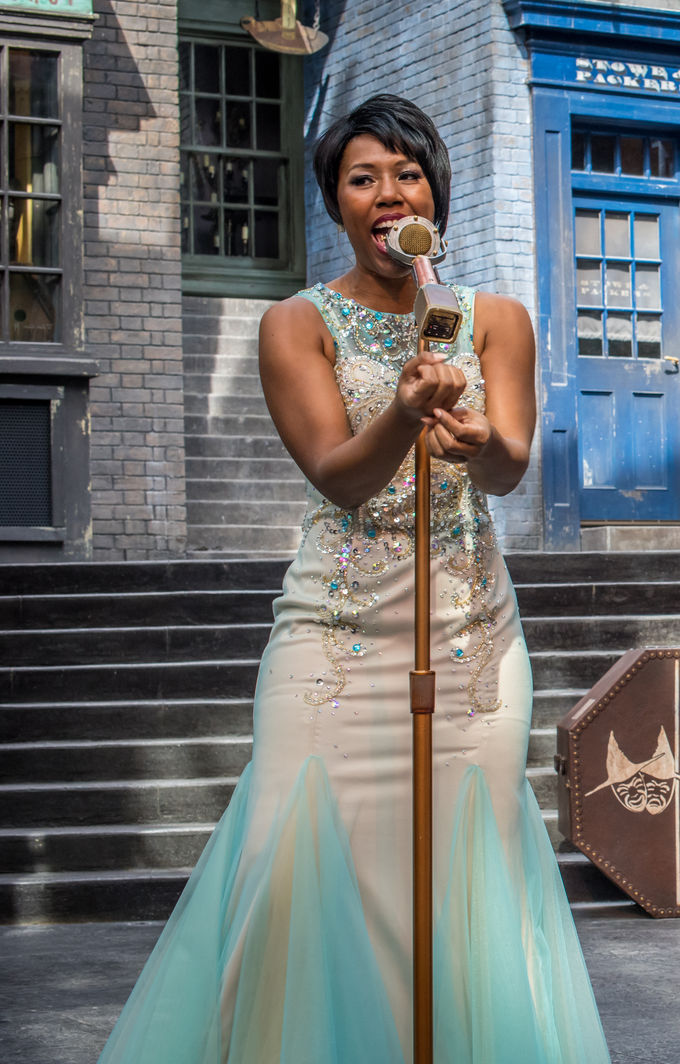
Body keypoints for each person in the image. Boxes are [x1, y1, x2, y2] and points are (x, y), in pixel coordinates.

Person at [96, 95, 609, 1062]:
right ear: (337, 203)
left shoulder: (495, 320)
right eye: (362, 178)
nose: (388, 193)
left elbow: (509, 470)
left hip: (468, 634)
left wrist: (477, 443)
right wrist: (403, 415)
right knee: (289, 862)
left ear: (435, 197)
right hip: (335, 634)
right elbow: (338, 474)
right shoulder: (296, 323)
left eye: (406, 175)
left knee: (471, 868)